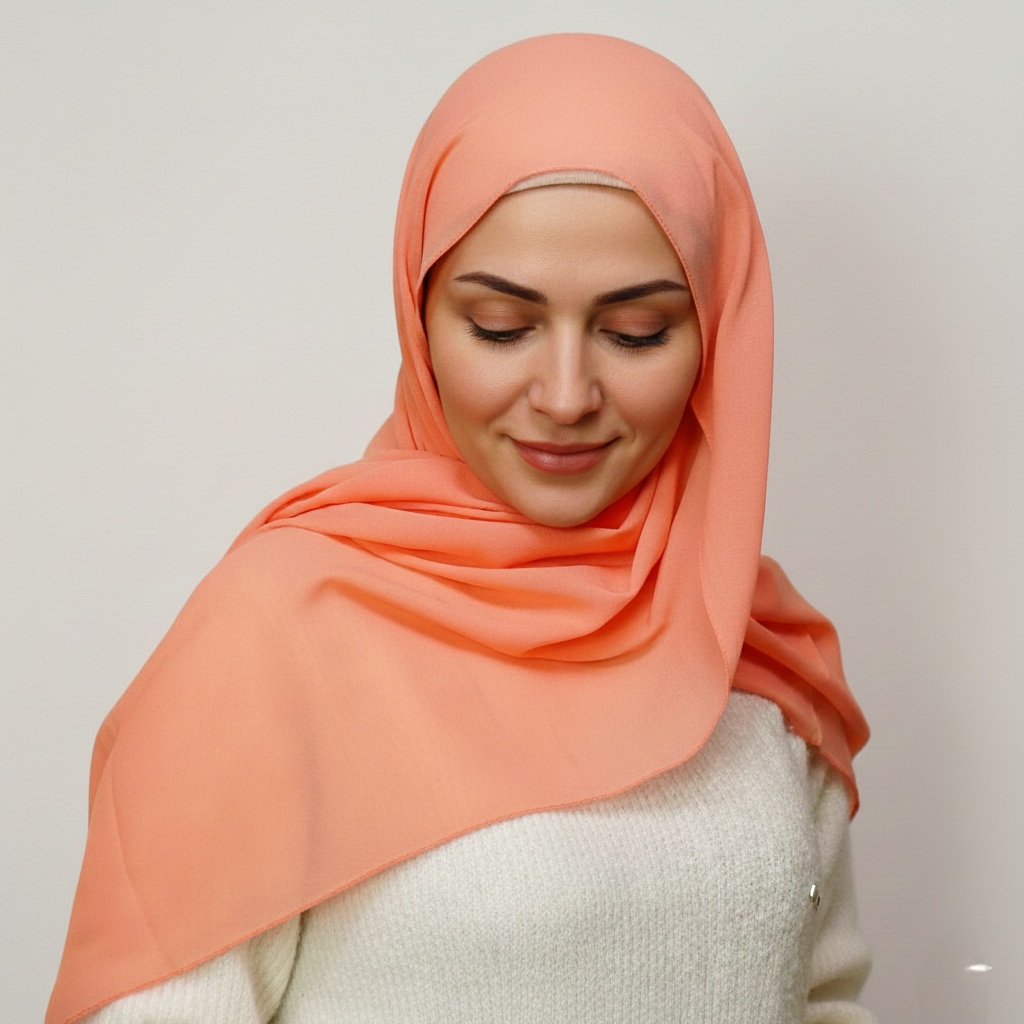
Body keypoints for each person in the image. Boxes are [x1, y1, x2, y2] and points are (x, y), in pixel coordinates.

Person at [47, 33, 874, 1023]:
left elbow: (829, 1001)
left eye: (636, 332)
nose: (565, 395)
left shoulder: (749, 640)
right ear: (421, 318)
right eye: (500, 326)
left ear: (717, 334)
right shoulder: (270, 640)